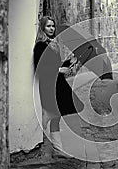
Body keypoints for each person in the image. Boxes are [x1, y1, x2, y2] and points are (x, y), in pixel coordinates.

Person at [33, 16, 84, 158]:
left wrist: (69, 62)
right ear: (42, 28)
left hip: (58, 83)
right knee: (52, 114)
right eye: (48, 26)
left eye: (53, 26)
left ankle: (58, 149)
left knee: (57, 115)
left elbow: (56, 65)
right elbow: (39, 68)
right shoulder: (40, 46)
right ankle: (40, 141)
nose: (52, 29)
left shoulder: (52, 45)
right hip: (49, 85)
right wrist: (58, 70)